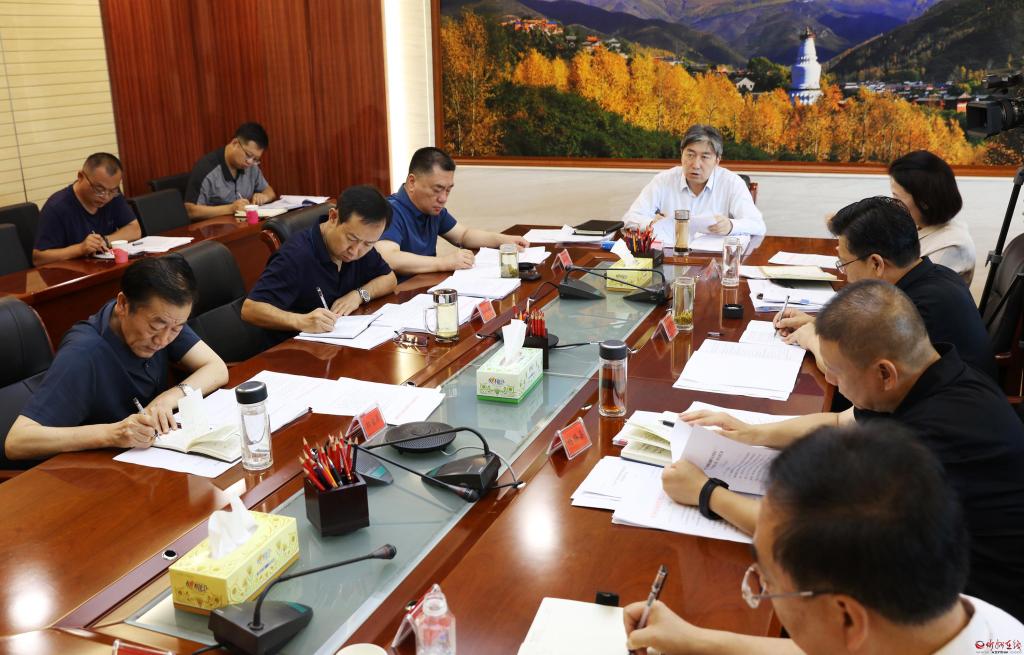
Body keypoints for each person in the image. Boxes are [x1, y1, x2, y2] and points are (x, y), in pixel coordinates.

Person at [672, 280, 1024, 619]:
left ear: (884, 374)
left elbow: (807, 533)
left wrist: (706, 492)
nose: (831, 381)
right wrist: (751, 433)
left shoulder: (922, 441)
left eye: (837, 372)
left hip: (975, 609)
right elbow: (842, 421)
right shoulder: (932, 375)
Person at [626, 424, 1024, 654]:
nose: (763, 589)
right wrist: (696, 641)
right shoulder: (952, 619)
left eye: (767, 583)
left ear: (846, 617)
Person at [4, 257, 229, 461]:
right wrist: (113, 433)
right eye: (155, 327)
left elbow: (217, 368)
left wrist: (166, 400)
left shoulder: (167, 319)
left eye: (177, 328)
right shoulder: (83, 353)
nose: (163, 340)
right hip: (94, 470)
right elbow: (17, 441)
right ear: (122, 305)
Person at [775, 196, 994, 379]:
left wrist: (812, 339)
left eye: (844, 263)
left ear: (876, 264)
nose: (845, 275)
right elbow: (862, 340)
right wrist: (817, 325)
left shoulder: (915, 308)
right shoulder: (934, 274)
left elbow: (851, 375)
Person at [241, 185, 397, 345]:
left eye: (368, 244)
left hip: (340, 345)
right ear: (333, 217)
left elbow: (389, 278)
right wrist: (301, 321)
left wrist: (359, 295)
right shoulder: (295, 255)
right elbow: (250, 309)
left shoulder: (360, 241)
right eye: (351, 238)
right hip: (293, 350)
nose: (355, 251)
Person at [375, 147, 529, 280]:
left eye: (448, 190)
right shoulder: (389, 211)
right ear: (412, 182)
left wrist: (503, 240)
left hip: (424, 285)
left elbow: (463, 235)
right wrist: (443, 262)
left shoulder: (432, 209)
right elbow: (389, 257)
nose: (443, 198)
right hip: (396, 296)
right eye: (437, 189)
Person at [622, 124, 764, 245]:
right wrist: (652, 223)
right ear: (681, 154)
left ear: (717, 160)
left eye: (705, 157)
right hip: (671, 256)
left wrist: (731, 226)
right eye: (690, 155)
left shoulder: (732, 183)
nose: (695, 165)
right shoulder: (663, 180)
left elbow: (757, 225)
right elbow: (629, 219)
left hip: (713, 260)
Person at [32, 153, 141, 265]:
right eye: (99, 189)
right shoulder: (57, 207)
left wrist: (103, 241)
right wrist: (80, 249)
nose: (105, 197)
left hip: (104, 266)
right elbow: (38, 258)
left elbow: (135, 230)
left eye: (112, 190)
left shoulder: (112, 195)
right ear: (80, 177)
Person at [889, 150, 976, 283]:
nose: (893, 204)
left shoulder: (950, 247)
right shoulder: (919, 225)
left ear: (924, 202)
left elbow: (917, 290)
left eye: (897, 197)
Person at [184, 122, 277, 221]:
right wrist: (231, 208)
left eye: (255, 159)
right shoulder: (206, 169)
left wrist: (264, 197)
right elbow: (190, 210)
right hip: (214, 228)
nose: (250, 162)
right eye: (248, 155)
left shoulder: (251, 167)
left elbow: (270, 191)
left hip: (243, 225)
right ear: (235, 143)